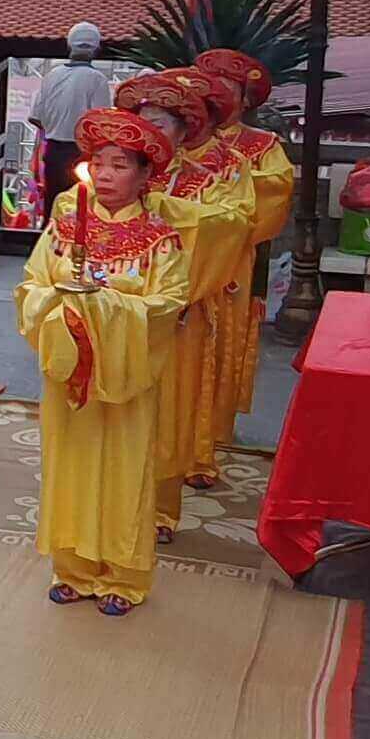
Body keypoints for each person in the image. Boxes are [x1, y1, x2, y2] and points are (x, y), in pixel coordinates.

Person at [16, 108, 191, 616]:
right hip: (71, 371)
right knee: (68, 464)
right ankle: (72, 568)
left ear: (144, 175)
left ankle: (123, 575)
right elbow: (31, 287)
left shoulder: (160, 239)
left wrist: (107, 305)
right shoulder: (65, 227)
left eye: (120, 165)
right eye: (100, 163)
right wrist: (65, 307)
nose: (107, 174)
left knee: (123, 469)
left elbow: (168, 305)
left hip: (125, 376)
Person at [114, 70, 252, 540]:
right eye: (143, 121)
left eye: (162, 122)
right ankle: (105, 495)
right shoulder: (121, 168)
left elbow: (235, 222)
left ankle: (159, 510)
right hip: (117, 308)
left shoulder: (222, 170)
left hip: (180, 307)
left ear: (185, 126)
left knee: (170, 407)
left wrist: (170, 211)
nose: (153, 131)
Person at [191, 49, 294, 484]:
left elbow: (276, 191)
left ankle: (203, 448)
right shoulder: (182, 139)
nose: (216, 95)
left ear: (246, 99)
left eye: (227, 88)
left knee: (220, 346)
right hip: (180, 260)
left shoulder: (261, 146)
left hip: (231, 262)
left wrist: (231, 185)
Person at [29, 22, 114, 219]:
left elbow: (36, 117)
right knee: (80, 209)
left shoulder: (52, 75)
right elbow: (101, 123)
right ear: (97, 49)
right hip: (82, 153)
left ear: (69, 46)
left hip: (53, 151)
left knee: (54, 206)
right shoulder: (97, 79)